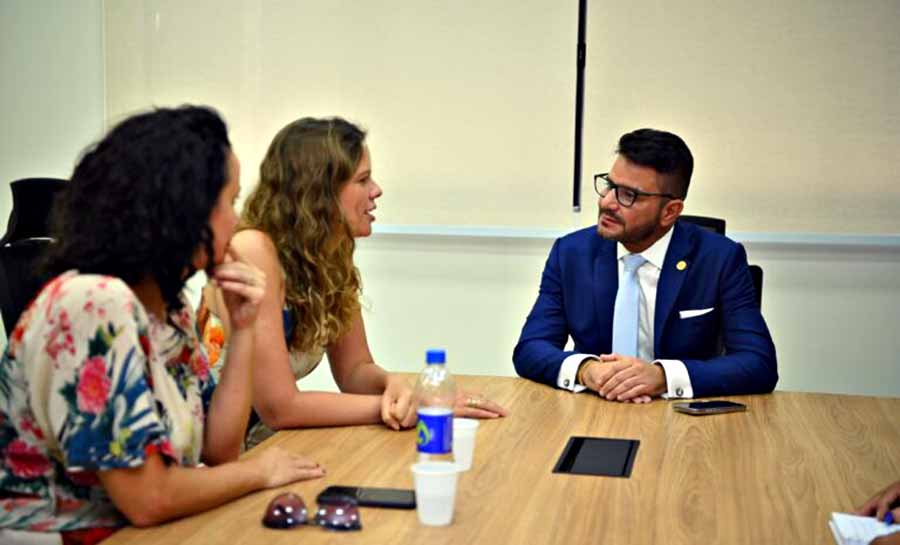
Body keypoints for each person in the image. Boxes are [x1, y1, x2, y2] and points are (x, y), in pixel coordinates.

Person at [0, 106, 324, 545]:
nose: (237, 220)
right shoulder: (94, 303)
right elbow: (148, 497)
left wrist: (244, 326)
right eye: (228, 202)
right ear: (181, 211)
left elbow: (219, 448)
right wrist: (259, 472)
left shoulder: (167, 307)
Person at [199, 117, 505, 449]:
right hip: (205, 453)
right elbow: (279, 407)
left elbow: (354, 371)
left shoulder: (330, 253)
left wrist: (396, 385)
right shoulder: (254, 249)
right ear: (318, 193)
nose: (377, 190)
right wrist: (406, 407)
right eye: (363, 179)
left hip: (257, 442)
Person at [513, 128, 777, 401]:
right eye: (609, 185)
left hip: (681, 422)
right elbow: (531, 348)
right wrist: (585, 370)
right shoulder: (571, 253)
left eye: (628, 195)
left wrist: (664, 377)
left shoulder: (720, 259)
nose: (607, 202)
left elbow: (759, 363)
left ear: (670, 212)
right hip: (594, 410)